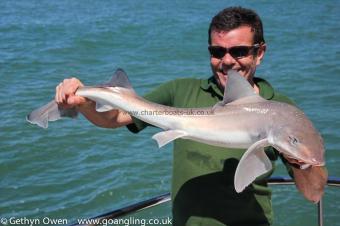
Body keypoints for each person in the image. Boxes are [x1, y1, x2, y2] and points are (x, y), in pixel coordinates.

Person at [55, 7, 327, 226]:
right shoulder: (181, 91)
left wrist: (301, 161)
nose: (228, 61)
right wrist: (84, 101)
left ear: (260, 52)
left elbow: (314, 193)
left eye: (240, 51)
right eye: (217, 51)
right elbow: (115, 118)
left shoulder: (282, 109)